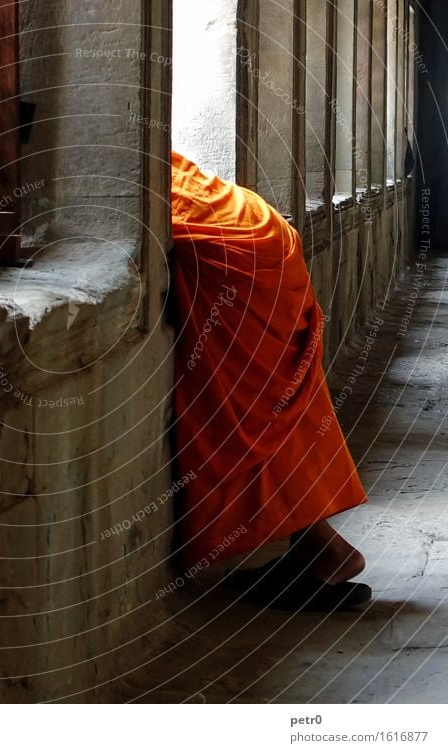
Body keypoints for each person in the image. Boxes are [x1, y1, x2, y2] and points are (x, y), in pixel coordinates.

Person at [170, 151, 371, 612]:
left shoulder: (112, 172)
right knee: (278, 407)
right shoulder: (164, 167)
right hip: (266, 237)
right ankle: (316, 549)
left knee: (260, 414)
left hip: (245, 255)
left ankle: (329, 552)